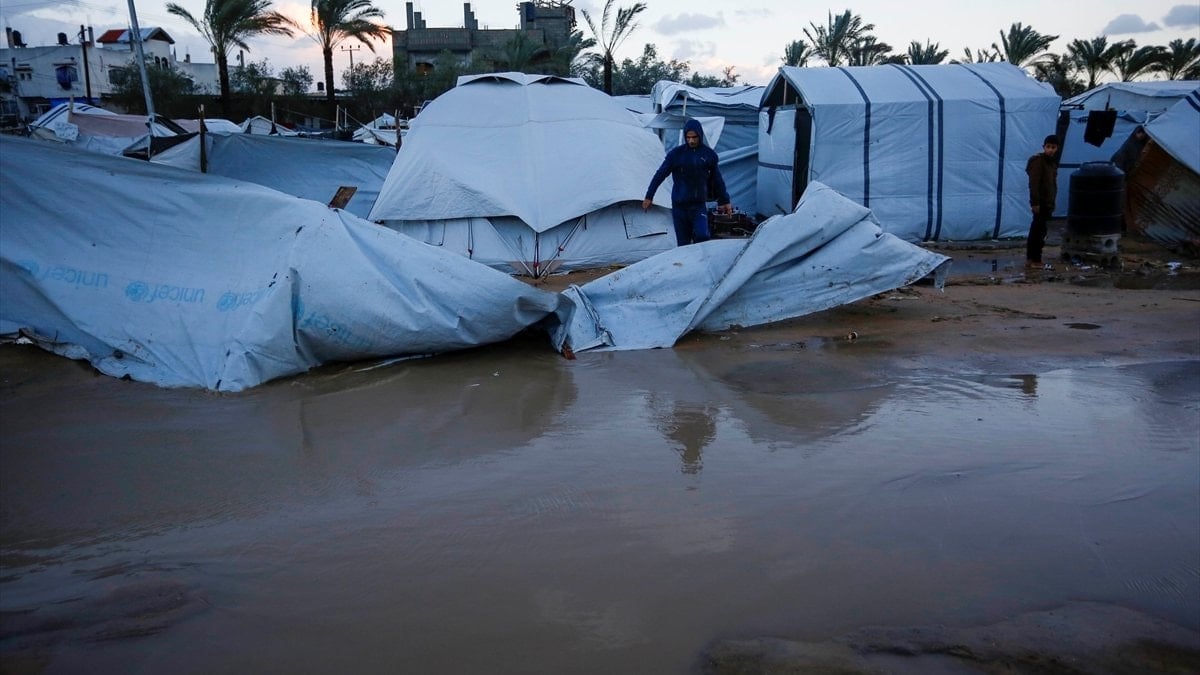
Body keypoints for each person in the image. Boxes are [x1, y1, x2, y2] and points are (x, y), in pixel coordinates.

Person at [642, 119, 732, 246]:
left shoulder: (708, 155)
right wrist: (649, 196)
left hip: (698, 204)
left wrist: (725, 201)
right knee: (683, 243)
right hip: (680, 205)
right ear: (685, 136)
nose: (691, 141)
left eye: (694, 137)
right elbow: (660, 174)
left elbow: (717, 179)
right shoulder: (676, 154)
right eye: (688, 137)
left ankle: (700, 259)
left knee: (702, 236)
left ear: (700, 136)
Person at [1025, 134, 1059, 269]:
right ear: (1044, 147)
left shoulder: (1051, 163)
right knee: (1038, 232)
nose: (1050, 150)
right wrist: (1035, 202)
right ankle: (1035, 259)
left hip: (1047, 203)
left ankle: (1032, 259)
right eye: (1048, 147)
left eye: (1053, 147)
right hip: (1041, 203)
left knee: (1039, 231)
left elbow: (1052, 185)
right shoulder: (1039, 162)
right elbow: (1034, 183)